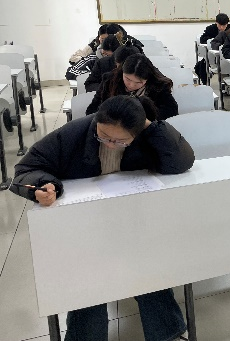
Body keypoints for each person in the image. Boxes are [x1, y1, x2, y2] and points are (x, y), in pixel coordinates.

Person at [9, 95, 194, 341]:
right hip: (84, 225)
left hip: (134, 219)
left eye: (121, 141)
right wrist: (44, 186)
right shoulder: (73, 133)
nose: (110, 144)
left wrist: (152, 128)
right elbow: (25, 170)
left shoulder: (147, 134)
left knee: (148, 268)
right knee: (90, 279)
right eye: (103, 136)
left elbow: (181, 162)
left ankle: (167, 334)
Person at [86, 53, 178, 120]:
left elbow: (171, 110)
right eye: (128, 79)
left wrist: (143, 119)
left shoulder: (158, 86)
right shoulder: (109, 80)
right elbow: (93, 108)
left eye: (139, 82)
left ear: (147, 79)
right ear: (122, 72)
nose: (131, 85)